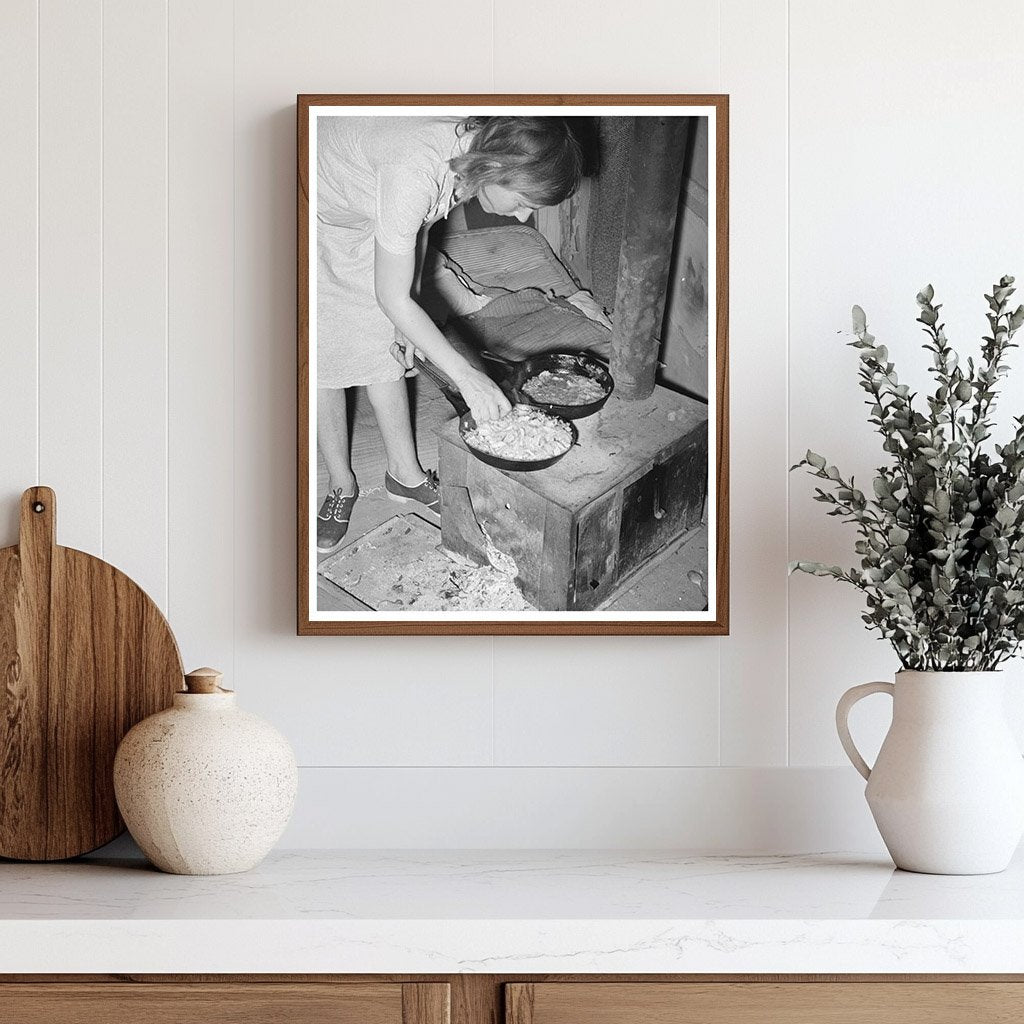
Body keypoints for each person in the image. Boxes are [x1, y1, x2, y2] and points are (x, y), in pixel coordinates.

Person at [315, 115, 584, 554]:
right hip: (315, 206)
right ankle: (340, 482)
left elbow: (418, 227)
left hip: (370, 205)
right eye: (523, 201)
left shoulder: (472, 153)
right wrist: (467, 375)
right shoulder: (415, 170)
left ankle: (404, 476)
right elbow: (392, 292)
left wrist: (410, 321)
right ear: (498, 170)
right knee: (326, 355)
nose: (524, 216)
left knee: (386, 339)